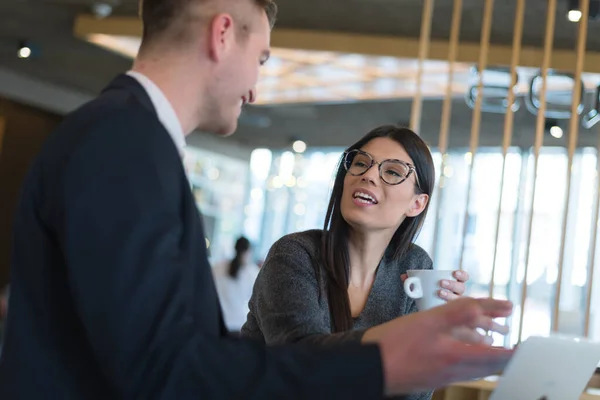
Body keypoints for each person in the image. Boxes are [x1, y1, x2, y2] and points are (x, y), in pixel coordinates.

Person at [0, 0, 514, 397]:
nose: (256, 88)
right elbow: (162, 367)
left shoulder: (127, 137)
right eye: (261, 58)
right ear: (223, 35)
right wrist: (382, 357)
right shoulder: (124, 144)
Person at [242, 126, 465, 400]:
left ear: (416, 204)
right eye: (360, 163)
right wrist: (405, 336)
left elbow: (413, 394)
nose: (369, 175)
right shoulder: (295, 254)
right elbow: (301, 362)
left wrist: (435, 334)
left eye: (393, 172)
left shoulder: (414, 265)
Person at [212, 236, 260, 333]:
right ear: (248, 251)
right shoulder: (252, 273)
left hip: (217, 320)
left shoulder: (219, 267)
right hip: (237, 325)